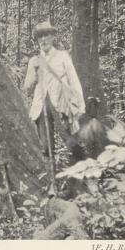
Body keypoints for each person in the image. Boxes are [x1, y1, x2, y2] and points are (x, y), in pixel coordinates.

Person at [24, 21, 85, 161]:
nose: (43, 39)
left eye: (46, 35)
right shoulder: (34, 60)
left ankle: (82, 173)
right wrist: (34, 72)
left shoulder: (62, 56)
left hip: (61, 106)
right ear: (37, 40)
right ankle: (52, 177)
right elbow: (27, 88)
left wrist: (80, 106)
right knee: (46, 149)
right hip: (41, 108)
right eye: (40, 36)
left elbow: (74, 81)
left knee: (71, 142)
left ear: (52, 37)